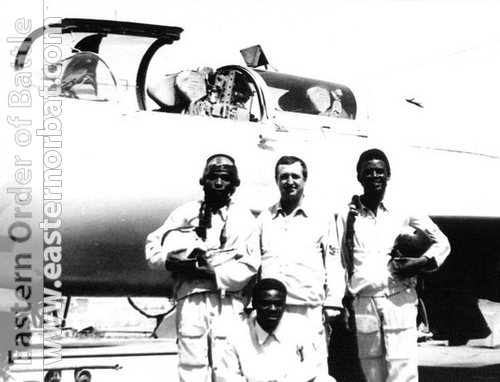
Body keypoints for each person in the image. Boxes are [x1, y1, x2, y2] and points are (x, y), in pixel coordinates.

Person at [337, 148, 451, 382]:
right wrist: (341, 304)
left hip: (399, 300)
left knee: (403, 371)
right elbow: (340, 261)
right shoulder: (347, 216)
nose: (375, 176)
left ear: (389, 175)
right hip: (365, 302)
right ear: (359, 176)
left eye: (380, 171)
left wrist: (421, 262)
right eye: (368, 172)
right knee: (372, 372)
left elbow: (442, 242)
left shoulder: (404, 210)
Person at [145, 154, 260, 382]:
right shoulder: (184, 213)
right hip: (192, 299)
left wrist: (215, 273)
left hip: (228, 300)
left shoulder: (244, 218)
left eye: (225, 179)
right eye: (213, 177)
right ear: (203, 181)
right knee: (191, 365)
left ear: (234, 184)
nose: (218, 183)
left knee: (228, 366)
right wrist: (172, 261)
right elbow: (152, 249)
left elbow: (251, 263)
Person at [257, 156, 345, 374]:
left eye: (295, 176)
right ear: (276, 180)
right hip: (273, 311)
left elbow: (333, 261)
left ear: (305, 180)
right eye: (283, 176)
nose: (290, 181)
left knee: (312, 372)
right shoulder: (264, 218)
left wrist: (333, 301)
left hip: (309, 311)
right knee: (275, 371)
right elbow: (254, 263)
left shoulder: (321, 217)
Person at [216, 278, 335, 382]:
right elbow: (227, 376)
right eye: (266, 303)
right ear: (254, 303)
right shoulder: (237, 333)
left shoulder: (300, 326)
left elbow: (314, 364)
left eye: (278, 304)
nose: (272, 309)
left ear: (284, 304)